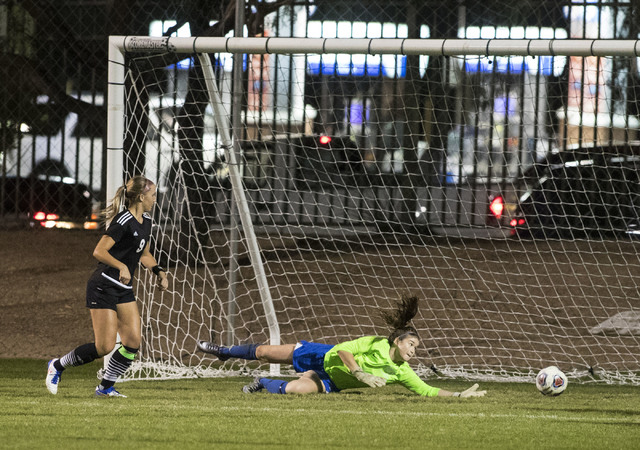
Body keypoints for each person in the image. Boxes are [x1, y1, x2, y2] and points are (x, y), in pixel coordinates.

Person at [197, 294, 486, 398]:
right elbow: (342, 351)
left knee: (297, 391)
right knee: (263, 352)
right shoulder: (373, 343)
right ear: (397, 341)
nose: (413, 351)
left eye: (416, 349)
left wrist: (458, 395)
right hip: (321, 355)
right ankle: (223, 352)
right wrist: (360, 374)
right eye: (411, 345)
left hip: (332, 381)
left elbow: (427, 390)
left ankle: (262, 383)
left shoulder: (401, 371)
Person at [45, 175, 169, 397]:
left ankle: (104, 388)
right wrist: (121, 266)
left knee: (132, 343)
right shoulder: (123, 221)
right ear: (141, 197)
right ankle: (57, 365)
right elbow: (99, 251)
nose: (155, 199)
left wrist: (158, 270)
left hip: (123, 288)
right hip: (103, 285)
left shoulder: (147, 220)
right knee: (104, 347)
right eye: (153, 195)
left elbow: (145, 252)